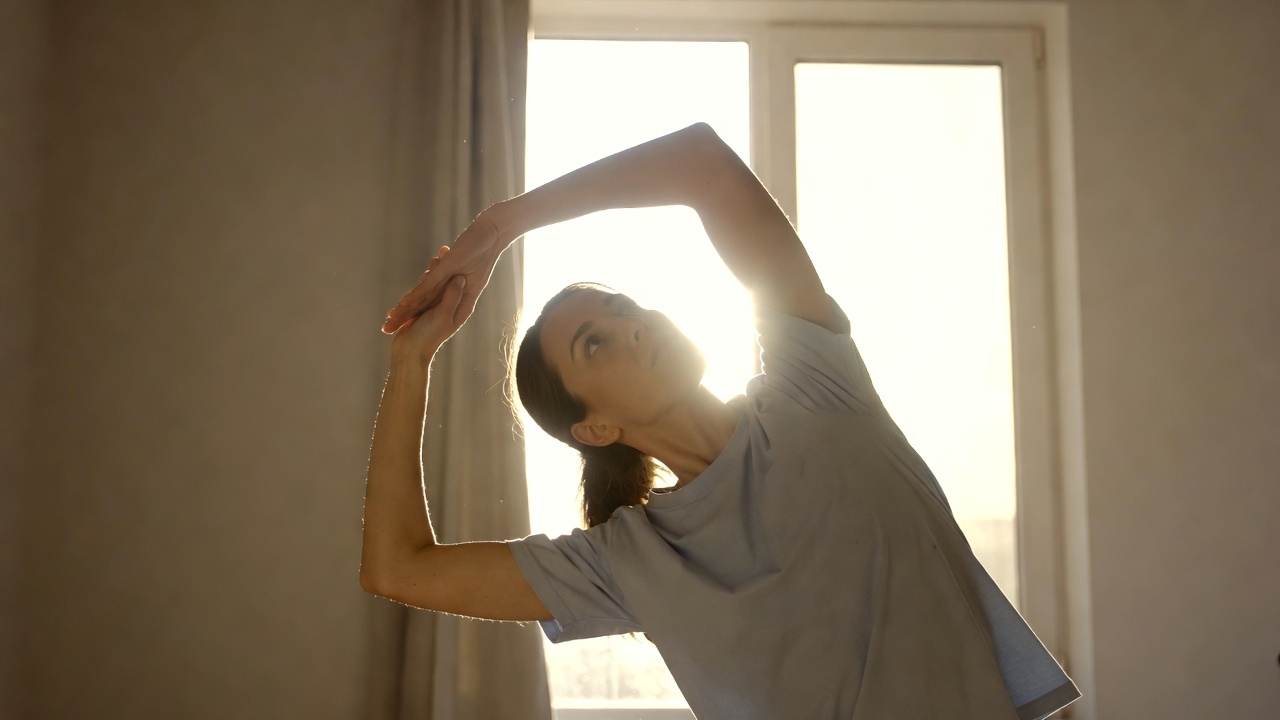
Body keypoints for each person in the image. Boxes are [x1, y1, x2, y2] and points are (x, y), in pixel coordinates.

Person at [362, 123, 1080, 719]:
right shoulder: (630, 561)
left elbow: (701, 162)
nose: (633, 326)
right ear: (595, 428)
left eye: (622, 309)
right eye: (596, 344)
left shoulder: (814, 386)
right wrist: (411, 364)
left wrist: (502, 224)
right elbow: (398, 568)